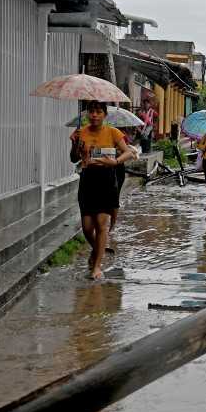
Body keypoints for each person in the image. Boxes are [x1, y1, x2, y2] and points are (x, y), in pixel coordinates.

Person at [70, 101, 134, 280]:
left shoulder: (113, 132)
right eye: (91, 112)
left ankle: (97, 266)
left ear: (104, 115)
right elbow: (73, 158)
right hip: (87, 180)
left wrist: (115, 161)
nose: (94, 115)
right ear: (88, 115)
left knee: (101, 224)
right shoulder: (81, 132)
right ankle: (98, 249)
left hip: (106, 179)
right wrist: (74, 144)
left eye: (98, 112)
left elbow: (128, 152)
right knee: (87, 227)